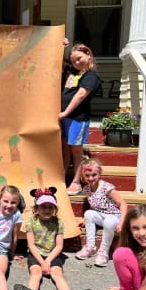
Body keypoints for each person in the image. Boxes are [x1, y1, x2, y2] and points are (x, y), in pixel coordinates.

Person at [14, 187, 93, 290]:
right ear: (36, 209)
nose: (47, 210)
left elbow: (59, 246)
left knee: (57, 274)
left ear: (55, 209)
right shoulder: (31, 222)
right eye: (43, 207)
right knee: (36, 273)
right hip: (36, 254)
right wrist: (42, 262)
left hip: (53, 254)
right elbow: (32, 245)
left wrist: (48, 261)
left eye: (50, 207)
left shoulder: (58, 223)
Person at [59, 44, 100, 195]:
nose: (76, 63)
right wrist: (59, 44)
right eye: (74, 61)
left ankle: (76, 182)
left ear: (88, 54)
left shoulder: (91, 75)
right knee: (65, 149)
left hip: (77, 118)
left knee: (76, 151)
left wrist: (65, 112)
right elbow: (59, 62)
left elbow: (81, 95)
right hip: (65, 118)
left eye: (79, 58)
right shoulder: (74, 72)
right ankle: (61, 179)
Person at [75, 158, 127, 267]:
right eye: (87, 176)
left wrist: (122, 222)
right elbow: (94, 207)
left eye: (94, 175)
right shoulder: (87, 189)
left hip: (114, 217)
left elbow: (123, 204)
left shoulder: (106, 187)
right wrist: (86, 220)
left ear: (99, 174)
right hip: (101, 216)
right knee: (88, 213)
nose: (91, 178)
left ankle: (103, 252)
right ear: (83, 177)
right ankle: (90, 247)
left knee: (108, 222)